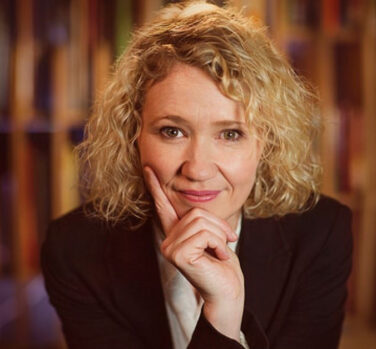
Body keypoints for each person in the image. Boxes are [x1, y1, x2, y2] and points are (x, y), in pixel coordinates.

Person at [41, 1, 353, 348]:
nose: (198, 169)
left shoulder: (322, 234)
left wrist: (225, 302)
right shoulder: (74, 250)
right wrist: (221, 316)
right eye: (172, 131)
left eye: (231, 134)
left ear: (267, 142)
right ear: (133, 135)